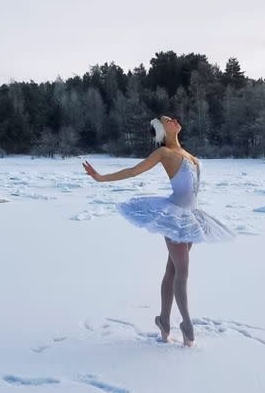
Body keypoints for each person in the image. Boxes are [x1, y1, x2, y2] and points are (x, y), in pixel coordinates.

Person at [82, 115, 233, 347]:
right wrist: (101, 178)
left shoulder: (190, 156)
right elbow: (133, 171)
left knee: (172, 269)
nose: (173, 119)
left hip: (191, 216)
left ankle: (163, 320)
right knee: (182, 270)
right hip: (173, 216)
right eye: (167, 119)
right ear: (162, 129)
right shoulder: (164, 153)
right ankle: (186, 324)